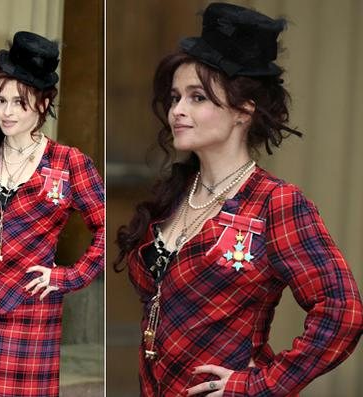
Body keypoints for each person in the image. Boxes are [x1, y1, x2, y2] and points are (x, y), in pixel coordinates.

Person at [113, 3, 363, 395]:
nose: (177, 110)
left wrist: (258, 385)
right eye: (176, 97)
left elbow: (342, 313)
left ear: (244, 109)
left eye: (197, 98)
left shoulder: (275, 203)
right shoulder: (175, 194)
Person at [0, 31, 105, 397]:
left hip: (33, 316)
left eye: (20, 102)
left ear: (44, 102)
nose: (7, 112)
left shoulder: (69, 163)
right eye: (0, 100)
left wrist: (69, 276)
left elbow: (109, 227)